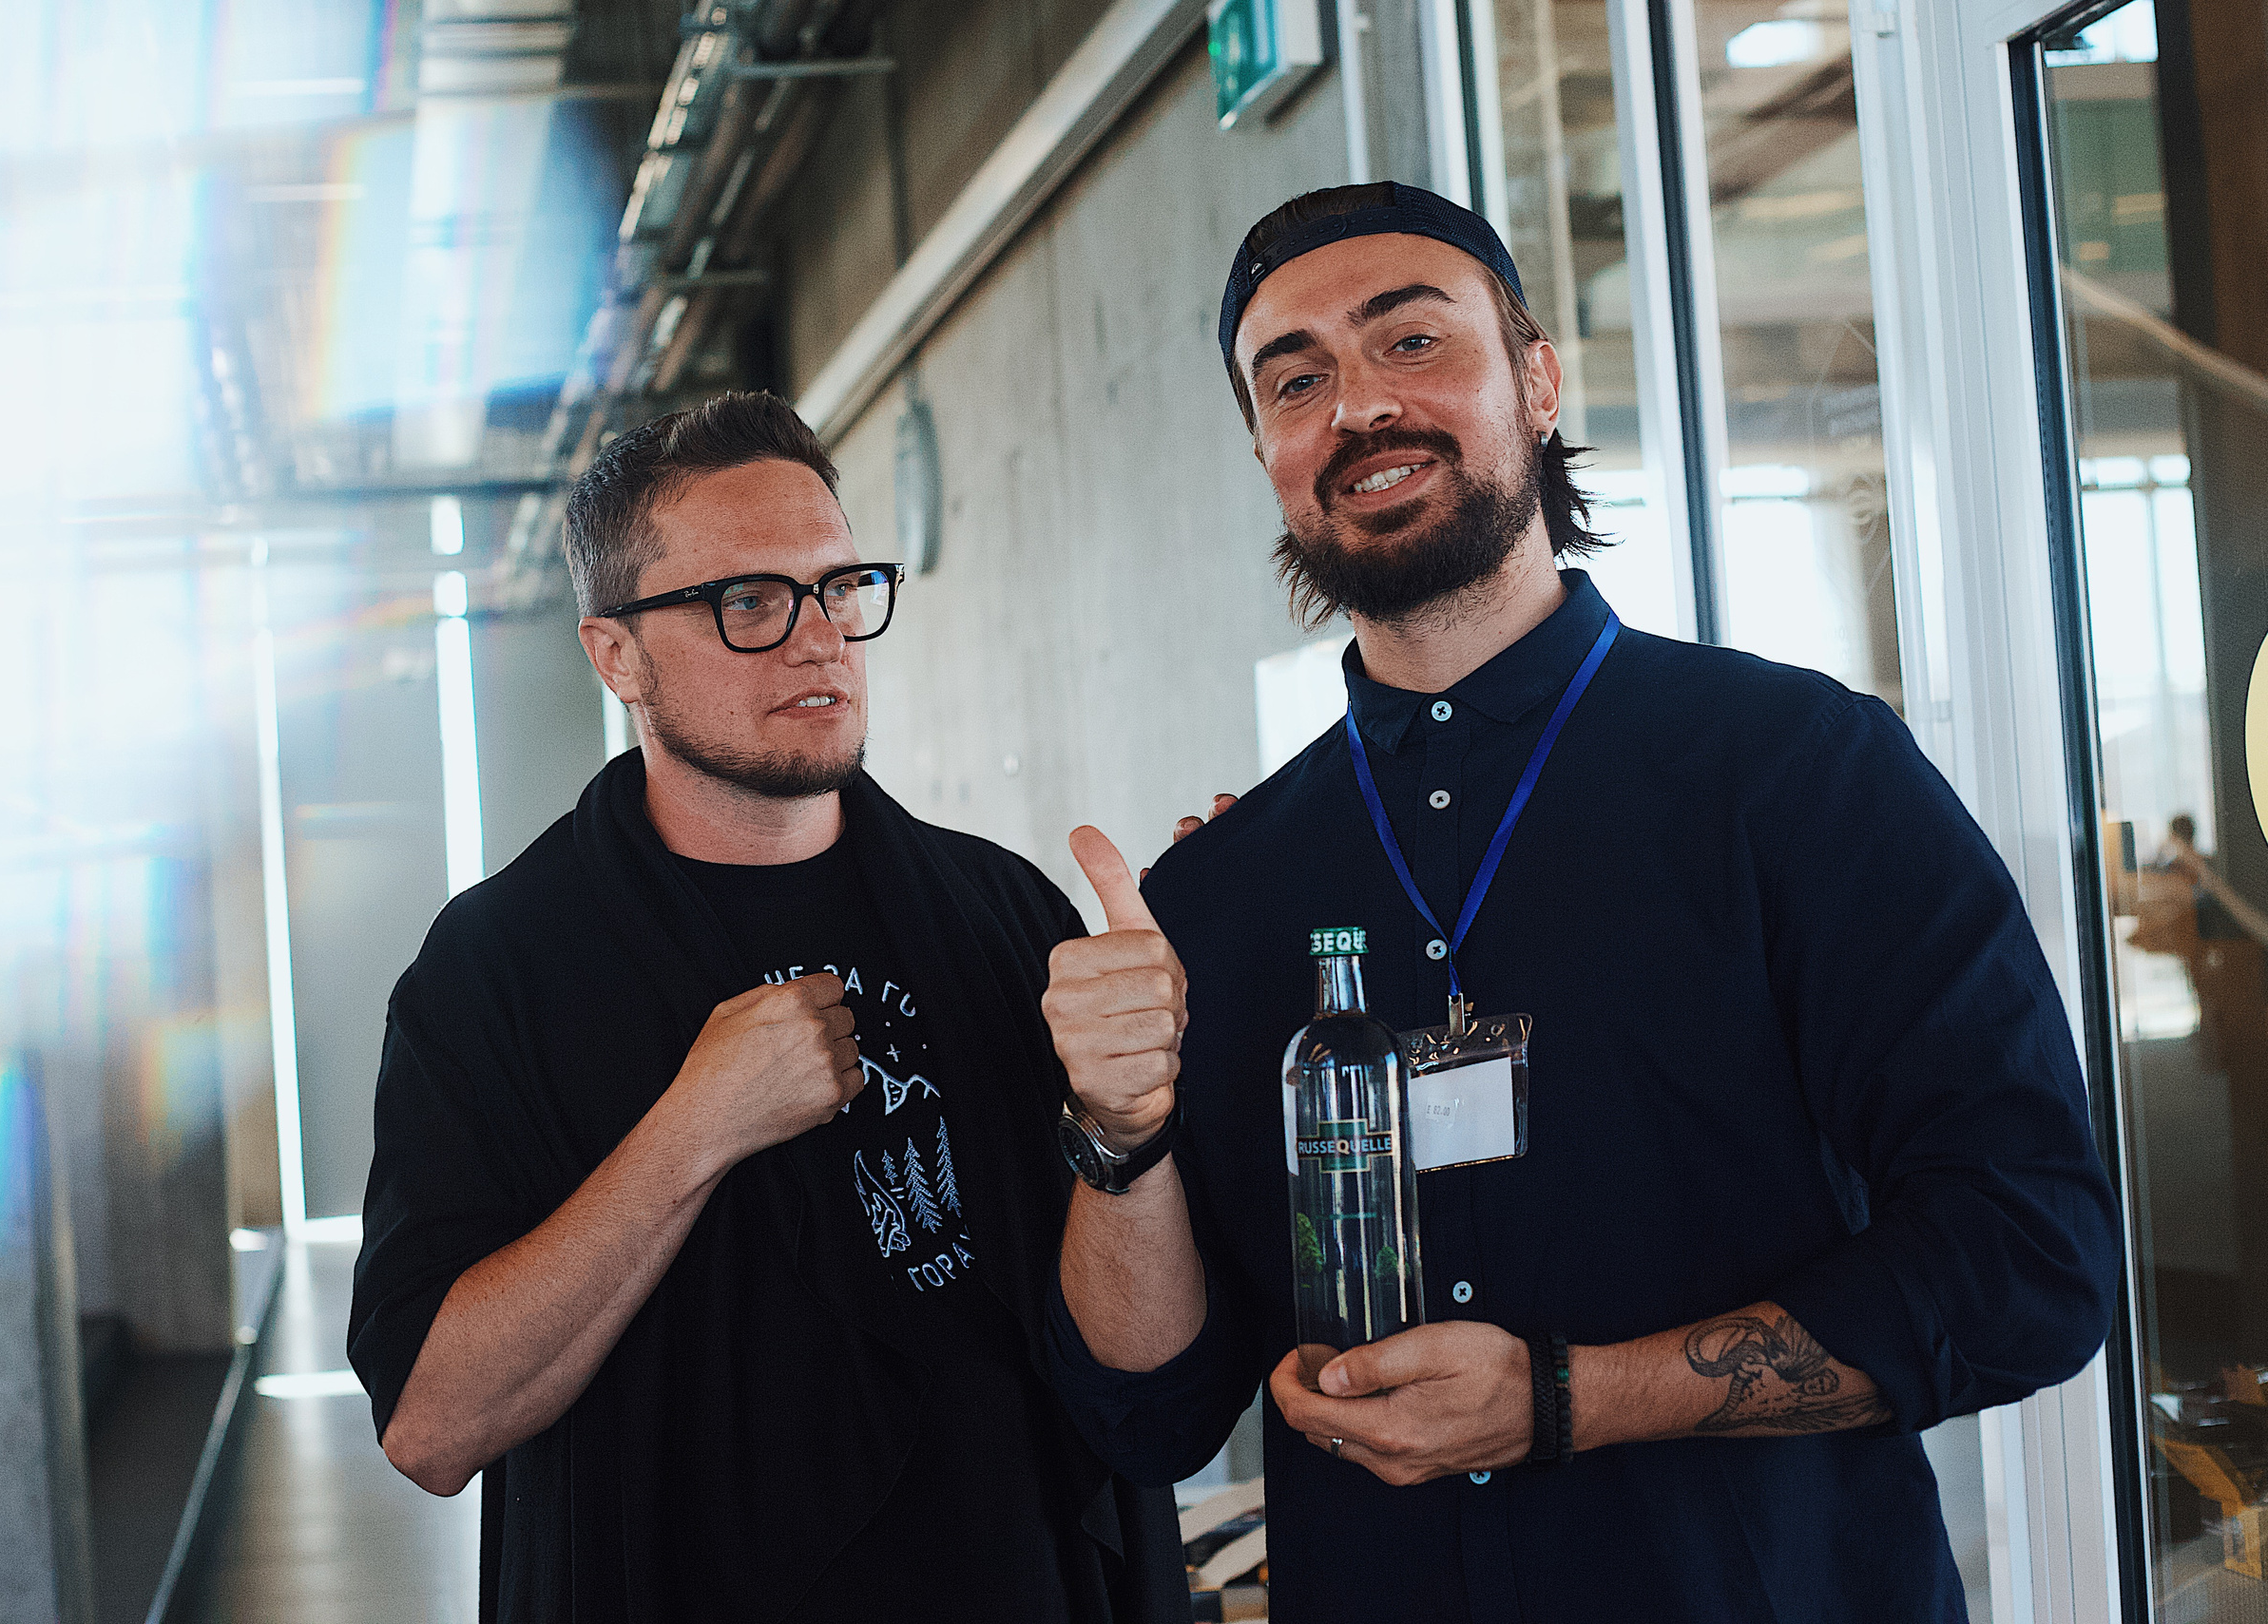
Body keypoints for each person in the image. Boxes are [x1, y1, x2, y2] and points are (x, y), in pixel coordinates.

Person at [1038, 183, 2120, 1622]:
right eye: (1295, 380)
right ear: (1265, 452)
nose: (1359, 405)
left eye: (1411, 341)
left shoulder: (1799, 773)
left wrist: (1569, 1399)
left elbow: (2028, 1261)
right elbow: (1149, 1414)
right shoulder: (1219, 897)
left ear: (1538, 382)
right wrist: (1119, 1135)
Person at [348, 392, 1186, 1623]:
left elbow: (1141, 1370)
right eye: (748, 601)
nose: (820, 639)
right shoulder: (496, 969)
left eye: (839, 586)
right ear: (616, 654)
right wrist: (694, 1128)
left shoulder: (1002, 912)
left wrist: (1129, 1125)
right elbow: (432, 1424)